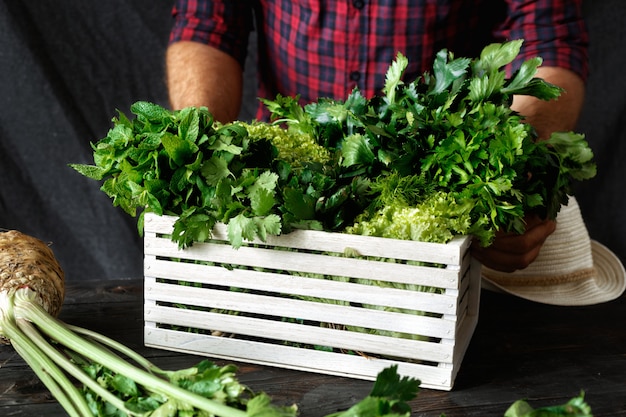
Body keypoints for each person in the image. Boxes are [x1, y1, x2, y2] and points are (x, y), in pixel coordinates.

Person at [164, 1, 589, 273]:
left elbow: (550, 40)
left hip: (434, 205)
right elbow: (207, 23)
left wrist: (510, 178)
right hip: (281, 192)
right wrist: (204, 149)